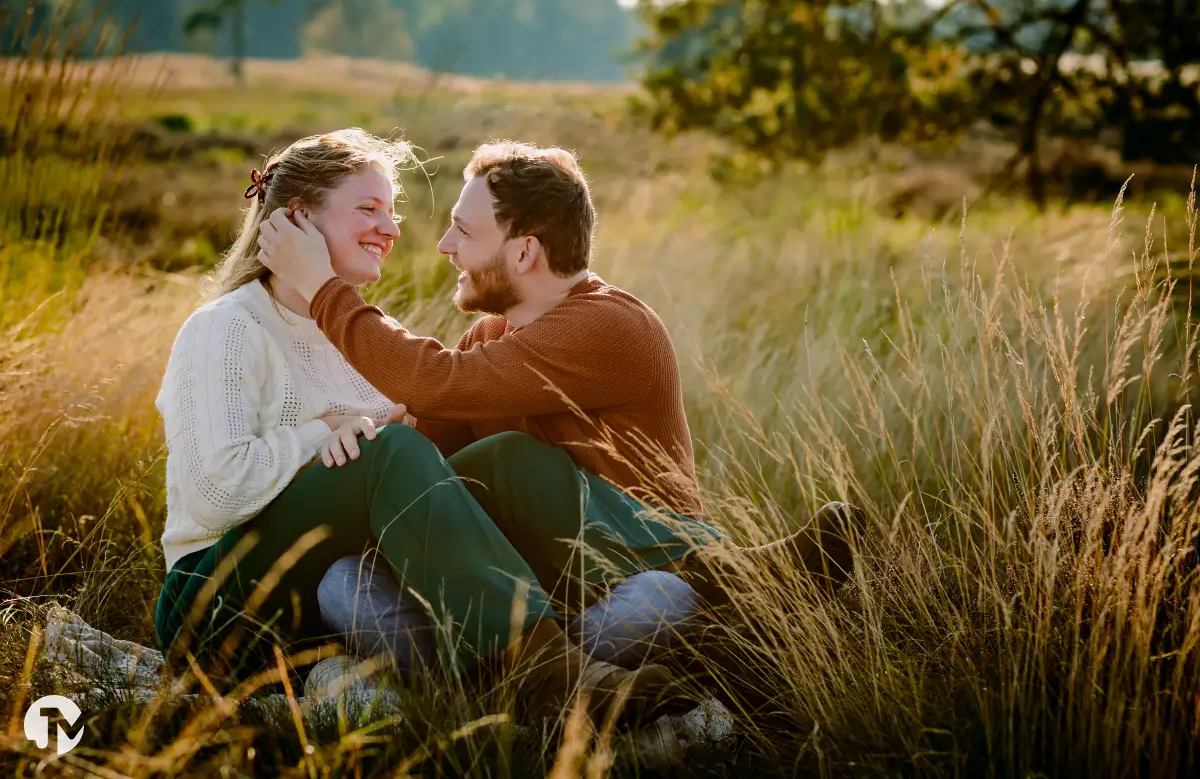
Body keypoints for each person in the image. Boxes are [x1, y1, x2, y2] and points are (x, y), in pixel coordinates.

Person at [152, 129, 699, 728]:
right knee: (389, 451)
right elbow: (213, 493)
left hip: (328, 599)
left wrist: (382, 433)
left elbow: (423, 467)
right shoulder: (227, 328)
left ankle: (668, 608)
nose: (391, 229)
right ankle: (549, 675)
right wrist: (324, 432)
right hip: (220, 604)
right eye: (368, 209)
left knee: (505, 456)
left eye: (392, 212)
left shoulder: (364, 331)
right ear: (297, 221)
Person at [257, 141, 864, 658]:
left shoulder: (609, 326)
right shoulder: (491, 337)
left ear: (524, 251)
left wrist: (324, 291)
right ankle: (527, 666)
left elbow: (436, 380)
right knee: (348, 584)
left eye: (464, 231)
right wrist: (356, 431)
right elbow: (427, 447)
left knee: (524, 470)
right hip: (522, 588)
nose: (444, 246)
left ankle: (731, 582)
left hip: (628, 585)